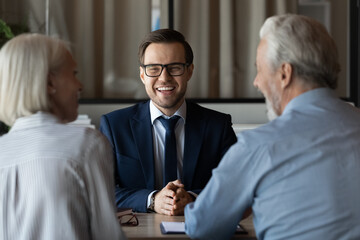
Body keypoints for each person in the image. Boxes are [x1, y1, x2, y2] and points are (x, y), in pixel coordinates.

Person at [185, 14, 360, 240]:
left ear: (285, 74)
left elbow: (202, 228)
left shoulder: (258, 147)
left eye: (260, 69)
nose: (256, 82)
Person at [0, 34, 126, 240]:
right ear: (50, 82)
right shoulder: (87, 144)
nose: (80, 85)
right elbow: (108, 235)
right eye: (74, 73)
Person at [100, 29, 237, 215]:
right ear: (142, 75)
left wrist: (192, 198)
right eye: (154, 68)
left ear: (189, 71)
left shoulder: (218, 126)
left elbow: (236, 185)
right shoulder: (114, 126)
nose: (164, 77)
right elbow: (103, 191)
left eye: (175, 67)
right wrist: (152, 200)